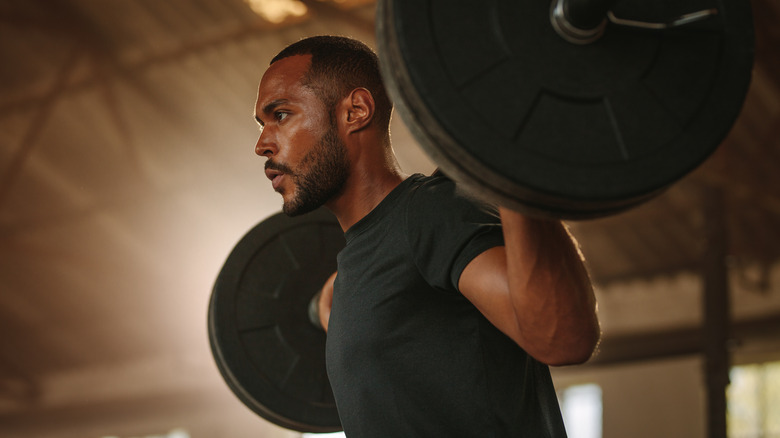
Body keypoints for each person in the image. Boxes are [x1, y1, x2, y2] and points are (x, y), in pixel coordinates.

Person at [254, 35, 600, 437]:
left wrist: (509, 162)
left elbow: (563, 338)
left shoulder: (431, 213)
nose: (262, 144)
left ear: (356, 111)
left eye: (280, 115)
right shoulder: (357, 266)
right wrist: (326, 304)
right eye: (262, 125)